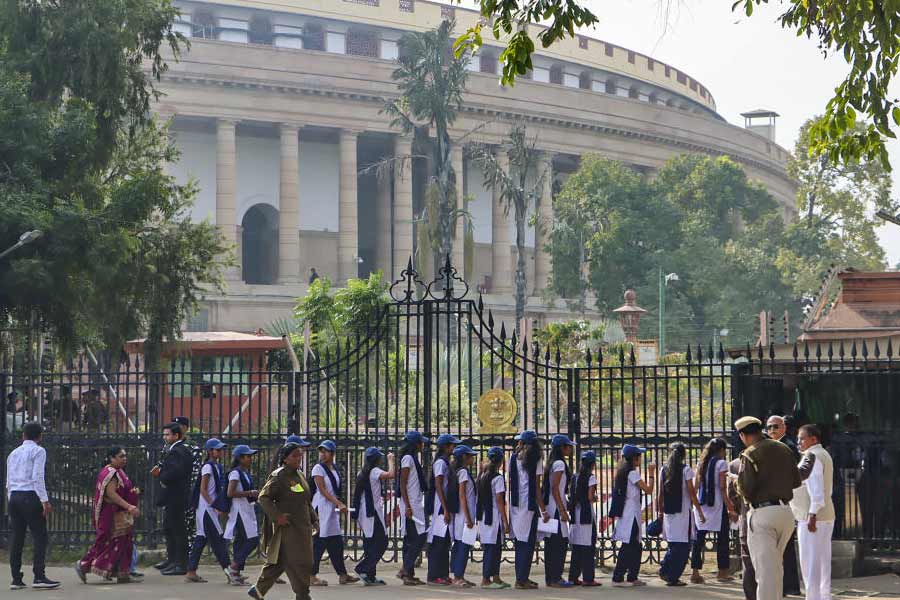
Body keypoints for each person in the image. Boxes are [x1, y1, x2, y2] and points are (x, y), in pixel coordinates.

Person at [735, 415, 801, 600]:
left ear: (742, 435)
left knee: (765, 573)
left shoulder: (750, 453)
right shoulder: (784, 448)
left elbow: (745, 489)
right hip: (785, 513)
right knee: (776, 569)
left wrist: (734, 483)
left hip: (762, 514)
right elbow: (796, 482)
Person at [248, 442, 317, 600]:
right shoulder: (279, 476)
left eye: (300, 455)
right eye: (295, 455)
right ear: (285, 459)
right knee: (299, 562)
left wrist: (314, 519)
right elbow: (263, 497)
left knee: (281, 561)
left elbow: (305, 501)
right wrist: (277, 516)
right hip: (289, 529)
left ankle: (258, 590)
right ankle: (303, 594)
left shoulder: (299, 475)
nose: (298, 458)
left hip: (302, 528)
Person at [75, 447, 141, 584]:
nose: (124, 458)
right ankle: (84, 565)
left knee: (125, 542)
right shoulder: (110, 473)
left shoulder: (119, 471)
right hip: (111, 514)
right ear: (112, 458)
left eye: (125, 456)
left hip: (120, 514)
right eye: (121, 456)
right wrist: (129, 506)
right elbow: (111, 494)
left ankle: (123, 574)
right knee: (106, 542)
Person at [6, 422, 59, 590]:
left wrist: (11, 499)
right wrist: (45, 500)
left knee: (17, 537)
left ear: (23, 435)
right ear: (40, 436)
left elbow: (8, 481)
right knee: (40, 536)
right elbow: (37, 477)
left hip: (14, 496)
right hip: (30, 495)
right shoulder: (38, 451)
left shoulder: (13, 453)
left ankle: (16, 578)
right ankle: (39, 575)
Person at [791, 425, 834, 600]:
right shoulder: (823, 454)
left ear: (813, 439)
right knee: (822, 560)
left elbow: (816, 489)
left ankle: (814, 597)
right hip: (824, 515)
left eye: (802, 438)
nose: (799, 442)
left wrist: (812, 515)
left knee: (810, 562)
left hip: (812, 516)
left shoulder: (813, 456)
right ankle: (823, 596)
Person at [186, 438, 235, 584]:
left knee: (201, 539)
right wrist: (214, 506)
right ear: (210, 451)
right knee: (218, 541)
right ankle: (229, 571)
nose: (220, 452)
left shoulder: (216, 466)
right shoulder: (208, 467)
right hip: (207, 509)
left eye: (220, 450)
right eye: (217, 450)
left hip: (207, 508)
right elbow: (203, 490)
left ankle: (191, 571)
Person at [310, 440, 357, 586]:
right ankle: (311, 575)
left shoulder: (334, 468)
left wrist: (337, 503)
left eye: (326, 451)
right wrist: (338, 503)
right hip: (321, 508)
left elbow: (335, 489)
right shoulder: (318, 468)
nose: (322, 454)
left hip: (331, 509)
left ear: (332, 453)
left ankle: (342, 574)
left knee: (335, 542)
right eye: (321, 451)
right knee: (319, 542)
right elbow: (322, 490)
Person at [657, 442, 704, 587]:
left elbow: (660, 494)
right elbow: (692, 493)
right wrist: (700, 512)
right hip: (683, 514)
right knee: (683, 547)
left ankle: (667, 571)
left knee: (673, 545)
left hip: (669, 513)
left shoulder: (664, 469)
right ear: (683, 455)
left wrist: (660, 512)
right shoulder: (686, 470)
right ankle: (671, 575)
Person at [151, 422, 194, 576]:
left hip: (176, 496)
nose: (165, 437)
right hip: (173, 497)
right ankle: (172, 560)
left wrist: (160, 474)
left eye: (167, 434)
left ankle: (180, 564)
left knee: (177, 530)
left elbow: (175, 473)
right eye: (164, 434)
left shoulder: (178, 451)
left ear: (176, 435)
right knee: (169, 528)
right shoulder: (174, 450)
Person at [690, 437, 735, 583]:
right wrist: (730, 506)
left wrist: (694, 503)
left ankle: (695, 572)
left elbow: (696, 485)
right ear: (721, 450)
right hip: (717, 505)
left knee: (698, 540)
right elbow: (722, 487)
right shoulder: (721, 464)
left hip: (702, 503)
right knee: (722, 538)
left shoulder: (701, 463)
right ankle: (722, 572)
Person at [611, 444, 655, 587]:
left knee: (635, 546)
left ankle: (632, 576)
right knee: (630, 546)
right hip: (631, 515)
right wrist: (651, 473)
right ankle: (619, 577)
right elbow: (648, 490)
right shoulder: (632, 473)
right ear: (634, 458)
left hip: (630, 513)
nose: (641, 459)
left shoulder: (624, 472)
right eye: (639, 456)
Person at [766, 415, 801, 596]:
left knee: (785, 546)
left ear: (784, 427)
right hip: (777, 501)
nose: (772, 430)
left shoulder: (788, 446)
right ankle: (785, 585)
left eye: (775, 426)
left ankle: (790, 585)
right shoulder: (772, 445)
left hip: (786, 500)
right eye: (769, 427)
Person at [508, 430, 547, 590]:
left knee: (520, 543)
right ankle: (522, 579)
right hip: (529, 505)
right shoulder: (535, 459)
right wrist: (544, 510)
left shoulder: (513, 458)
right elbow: (537, 488)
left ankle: (521, 577)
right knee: (528, 543)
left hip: (516, 504)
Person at [352, 447, 395, 585]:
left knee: (370, 543)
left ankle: (370, 575)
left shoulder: (361, 473)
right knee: (382, 542)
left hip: (365, 511)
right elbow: (391, 474)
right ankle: (362, 568)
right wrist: (391, 460)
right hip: (372, 511)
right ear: (376, 460)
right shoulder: (374, 471)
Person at [541, 434, 575, 588]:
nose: (570, 449)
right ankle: (556, 577)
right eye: (568, 446)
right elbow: (555, 488)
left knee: (551, 545)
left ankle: (551, 578)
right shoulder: (560, 464)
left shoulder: (552, 463)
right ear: (562, 447)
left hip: (551, 506)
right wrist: (562, 510)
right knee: (559, 544)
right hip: (556, 508)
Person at [426, 434, 460, 585]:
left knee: (445, 541)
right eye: (452, 445)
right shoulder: (440, 463)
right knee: (439, 542)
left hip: (444, 505)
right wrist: (445, 509)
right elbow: (438, 485)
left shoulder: (445, 462)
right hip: (440, 507)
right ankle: (434, 575)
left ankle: (443, 574)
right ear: (446, 446)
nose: (454, 447)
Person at [396, 430, 429, 585]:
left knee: (410, 539)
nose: (423, 445)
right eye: (421, 442)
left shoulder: (413, 459)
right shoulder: (408, 459)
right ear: (416, 444)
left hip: (414, 502)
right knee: (420, 537)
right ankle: (405, 569)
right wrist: (408, 506)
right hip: (411, 504)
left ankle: (408, 574)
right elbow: (402, 483)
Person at [225, 445, 260, 584]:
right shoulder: (235, 473)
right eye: (248, 456)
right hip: (239, 511)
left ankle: (236, 573)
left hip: (246, 509)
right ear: (240, 458)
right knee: (252, 540)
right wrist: (249, 493)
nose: (250, 459)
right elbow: (230, 493)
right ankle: (233, 567)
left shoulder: (244, 472)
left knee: (241, 540)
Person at [476, 446, 509, 590]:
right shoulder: (497, 478)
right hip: (494, 517)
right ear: (501, 461)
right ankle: (485, 579)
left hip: (484, 516)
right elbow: (500, 501)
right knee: (492, 549)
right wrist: (506, 522)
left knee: (492, 548)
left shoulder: (482, 476)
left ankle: (495, 577)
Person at [567, 450, 600, 587]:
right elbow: (590, 497)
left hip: (575, 515)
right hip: (586, 515)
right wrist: (595, 498)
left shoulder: (575, 477)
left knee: (577, 549)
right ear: (592, 464)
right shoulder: (591, 478)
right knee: (588, 548)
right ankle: (588, 578)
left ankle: (573, 577)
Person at [449, 444, 478, 587]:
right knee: (463, 546)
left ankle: (458, 575)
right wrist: (468, 518)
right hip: (464, 515)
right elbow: (462, 496)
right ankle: (458, 577)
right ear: (465, 457)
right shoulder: (463, 473)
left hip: (462, 515)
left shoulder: (459, 471)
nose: (473, 459)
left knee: (460, 545)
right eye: (471, 456)